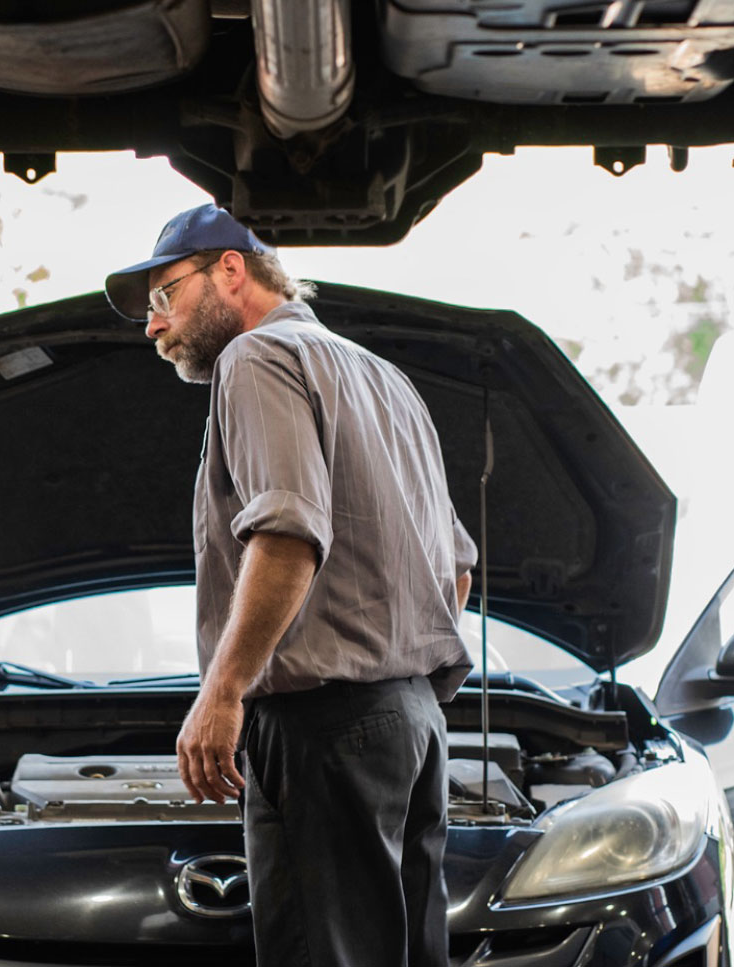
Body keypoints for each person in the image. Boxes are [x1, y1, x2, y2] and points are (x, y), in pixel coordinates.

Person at [104, 204, 477, 967]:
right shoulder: (385, 378)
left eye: (165, 295)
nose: (153, 324)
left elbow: (287, 534)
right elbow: (458, 569)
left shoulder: (257, 357)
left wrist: (223, 691)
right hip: (412, 722)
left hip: (321, 725)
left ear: (229, 270)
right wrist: (394, 698)